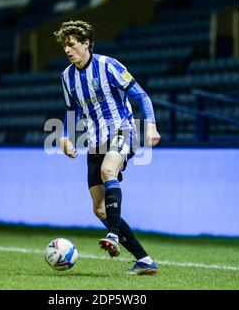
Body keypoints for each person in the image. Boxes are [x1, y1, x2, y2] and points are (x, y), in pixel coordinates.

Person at [54, 20, 161, 275]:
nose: (68, 50)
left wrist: (151, 125)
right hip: (94, 140)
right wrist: (66, 135)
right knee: (99, 208)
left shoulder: (109, 66)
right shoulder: (67, 76)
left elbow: (141, 96)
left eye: (71, 44)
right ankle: (144, 260)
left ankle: (112, 235)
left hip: (122, 130)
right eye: (64, 47)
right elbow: (72, 109)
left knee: (108, 170)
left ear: (86, 43)